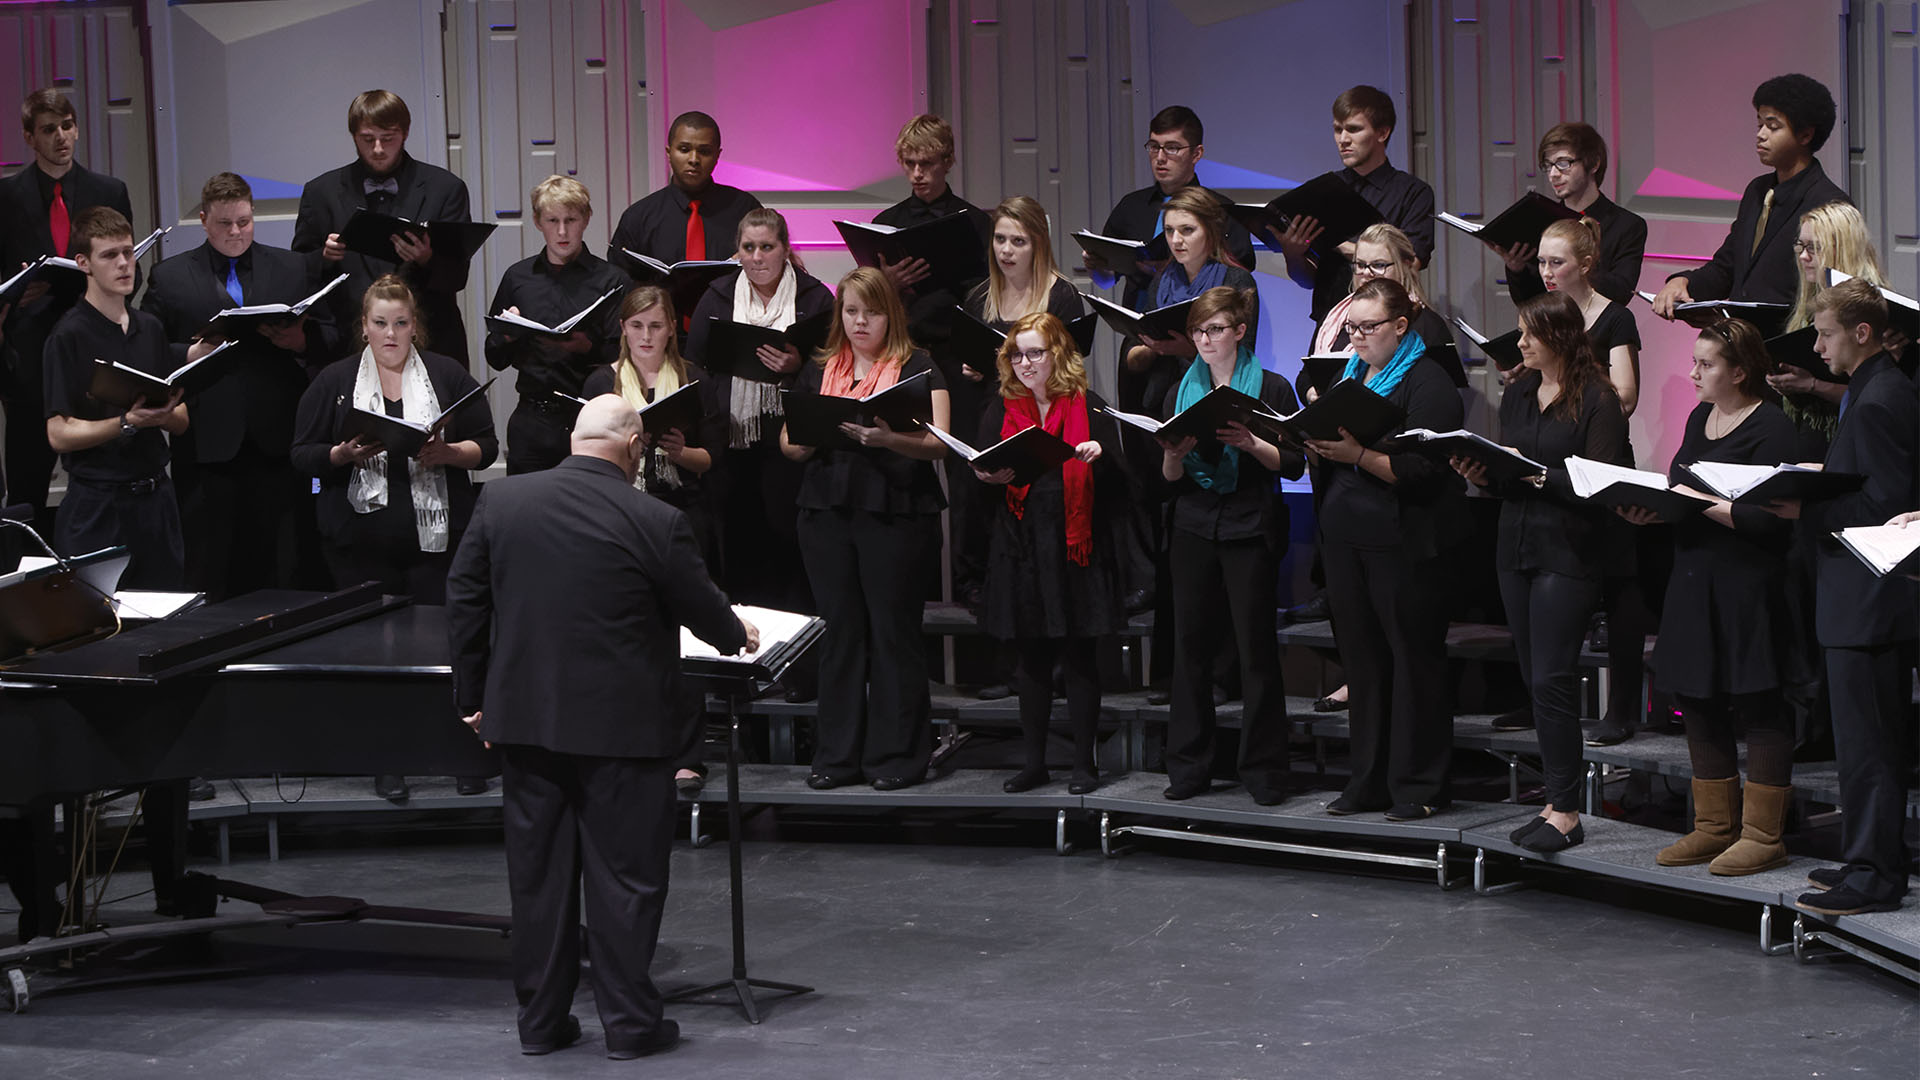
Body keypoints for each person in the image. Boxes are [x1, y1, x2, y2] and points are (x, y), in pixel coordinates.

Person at [446, 394, 754, 1061]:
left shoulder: (502, 504)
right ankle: (629, 1026)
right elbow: (707, 616)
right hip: (625, 731)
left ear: (575, 439)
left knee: (540, 881)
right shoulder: (656, 519)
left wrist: (474, 697)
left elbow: (465, 599)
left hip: (526, 725)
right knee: (626, 879)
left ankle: (541, 1024)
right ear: (635, 447)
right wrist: (738, 632)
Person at [290, 275, 498, 802]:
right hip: (361, 544)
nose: (390, 334)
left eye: (400, 323)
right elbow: (301, 454)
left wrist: (450, 454)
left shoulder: (447, 375)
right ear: (364, 327)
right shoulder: (335, 381)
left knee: (449, 648)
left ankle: (459, 754)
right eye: (380, 323)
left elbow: (488, 445)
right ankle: (389, 762)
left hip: (439, 542)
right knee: (380, 652)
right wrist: (340, 456)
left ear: (415, 327)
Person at [1613, 320, 1802, 874]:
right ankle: (1713, 827)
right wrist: (1651, 510)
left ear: (1740, 371)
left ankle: (1763, 835)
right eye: (1694, 363)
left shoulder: (1773, 428)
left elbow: (1770, 521)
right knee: (1698, 699)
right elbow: (1680, 486)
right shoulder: (1700, 417)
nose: (1693, 373)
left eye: (1707, 365)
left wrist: (1698, 504)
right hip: (1694, 578)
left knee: (1760, 704)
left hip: (1749, 585)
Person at [1451, 292, 1627, 853]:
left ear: (1559, 337)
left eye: (1529, 334)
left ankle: (1567, 813)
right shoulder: (1522, 390)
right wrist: (1481, 473)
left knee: (1552, 681)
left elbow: (1602, 484)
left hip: (1568, 553)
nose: (1520, 344)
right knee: (1535, 680)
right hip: (1516, 548)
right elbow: (1510, 468)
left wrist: (1538, 480)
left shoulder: (1598, 398)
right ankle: (1554, 802)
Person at [1770, 280, 1917, 916]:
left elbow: (1888, 508)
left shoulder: (1883, 397)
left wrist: (1810, 500)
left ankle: (1878, 873)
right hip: (1856, 596)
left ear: (1861, 333)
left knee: (1871, 747)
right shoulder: (1870, 387)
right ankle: (1866, 859)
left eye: (1825, 334)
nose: (1817, 346)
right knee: (1860, 746)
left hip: (1872, 599)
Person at [779, 267, 951, 791]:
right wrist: (805, 440)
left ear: (890, 314)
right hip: (828, 511)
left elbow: (942, 442)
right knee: (842, 633)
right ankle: (837, 756)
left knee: (892, 632)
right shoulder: (820, 368)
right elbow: (789, 442)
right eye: (851, 311)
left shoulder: (918, 366)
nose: (859, 322)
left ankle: (898, 756)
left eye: (870, 312)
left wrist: (889, 440)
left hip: (894, 510)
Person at [1303, 278, 1468, 819]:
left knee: (1411, 661)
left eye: (1368, 328)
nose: (1357, 338)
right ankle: (1368, 780)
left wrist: (1355, 455)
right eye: (1351, 327)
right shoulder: (1351, 375)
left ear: (1400, 327)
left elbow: (1423, 468)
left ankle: (1419, 786)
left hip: (1403, 543)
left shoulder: (1429, 383)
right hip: (1347, 539)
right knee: (1364, 664)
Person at [140, 172, 339, 599]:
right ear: (204, 220)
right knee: (211, 564)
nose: (236, 232)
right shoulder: (170, 275)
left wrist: (300, 339)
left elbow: (332, 334)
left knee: (283, 561)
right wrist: (188, 354)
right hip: (206, 440)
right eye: (226, 224)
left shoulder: (291, 266)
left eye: (245, 222)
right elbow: (146, 345)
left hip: (277, 436)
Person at [1155, 286, 1303, 805]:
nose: (1204, 339)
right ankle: (1189, 767)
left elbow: (1294, 464)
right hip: (1194, 525)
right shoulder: (1180, 390)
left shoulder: (1274, 388)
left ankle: (1263, 771)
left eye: (1215, 329)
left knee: (1254, 650)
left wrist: (1253, 444)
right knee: (1190, 650)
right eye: (1197, 331)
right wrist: (1174, 454)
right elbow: (1169, 478)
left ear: (1240, 332)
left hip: (1249, 523)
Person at [973, 313, 1124, 794]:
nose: (1024, 363)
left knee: (1080, 659)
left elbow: (1126, 482)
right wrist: (987, 479)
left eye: (1035, 352)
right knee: (1031, 661)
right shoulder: (1000, 409)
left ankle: (1084, 764)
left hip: (1076, 548)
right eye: (1016, 354)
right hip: (1021, 547)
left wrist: (1102, 457)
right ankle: (1033, 762)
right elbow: (977, 472)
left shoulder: (1089, 406)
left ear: (1057, 355)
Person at [583, 286, 725, 794]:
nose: (646, 336)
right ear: (623, 328)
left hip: (680, 513)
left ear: (672, 330)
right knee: (624, 637)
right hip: (617, 520)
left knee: (683, 640)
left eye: (657, 326)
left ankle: (687, 753)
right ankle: (626, 743)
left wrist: (681, 451)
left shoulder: (693, 379)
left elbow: (715, 460)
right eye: (637, 326)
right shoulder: (601, 382)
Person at [1532, 215, 1652, 746]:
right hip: (1554, 457)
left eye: (1556, 262)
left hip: (1600, 455)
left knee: (1618, 581)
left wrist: (1574, 373)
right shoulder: (1544, 316)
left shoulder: (1614, 318)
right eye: (1540, 261)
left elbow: (1625, 396)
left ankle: (1622, 707)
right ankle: (1543, 701)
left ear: (1585, 265)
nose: (1546, 272)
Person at [684, 209, 834, 618]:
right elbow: (692, 364)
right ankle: (742, 641)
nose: (756, 257)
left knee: (788, 541)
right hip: (731, 438)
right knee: (737, 540)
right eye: (748, 248)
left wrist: (797, 366)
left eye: (767, 247)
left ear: (785, 250)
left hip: (789, 439)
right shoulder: (717, 296)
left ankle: (796, 647)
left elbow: (836, 368)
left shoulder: (814, 297)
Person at [0, 88, 136, 532]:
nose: (61, 137)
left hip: (91, 345)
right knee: (27, 481)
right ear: (28, 137)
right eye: (48, 130)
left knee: (104, 471)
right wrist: (14, 293)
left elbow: (125, 268)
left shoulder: (108, 190)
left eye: (67, 125)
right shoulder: (7, 196)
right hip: (29, 353)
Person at [956, 195, 1087, 624]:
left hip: (1044, 422)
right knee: (984, 508)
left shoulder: (1061, 295)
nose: (1006, 250)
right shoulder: (980, 295)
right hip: (992, 416)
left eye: (1018, 241)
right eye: (999, 240)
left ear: (1038, 244)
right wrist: (974, 369)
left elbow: (1067, 368)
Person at [42, 207, 187, 586]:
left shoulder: (150, 328)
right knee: (102, 625)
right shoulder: (68, 336)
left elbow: (182, 420)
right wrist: (125, 423)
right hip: (99, 505)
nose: (125, 264)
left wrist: (164, 413)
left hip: (156, 498)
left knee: (166, 619)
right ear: (83, 264)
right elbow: (58, 434)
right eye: (110, 255)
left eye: (128, 252)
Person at [293, 89, 475, 363]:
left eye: (387, 138)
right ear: (353, 135)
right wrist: (324, 257)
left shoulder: (446, 189)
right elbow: (300, 273)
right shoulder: (321, 192)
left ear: (405, 133)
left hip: (430, 345)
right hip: (348, 347)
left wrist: (427, 259)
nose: (377, 149)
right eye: (367, 139)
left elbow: (457, 277)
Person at [1653, 74, 1849, 320]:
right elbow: (1728, 266)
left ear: (1805, 135)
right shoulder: (1757, 190)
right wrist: (1683, 282)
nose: (1761, 135)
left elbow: (1834, 294)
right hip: (1742, 346)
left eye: (1773, 126)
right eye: (1760, 125)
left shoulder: (1830, 204)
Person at [485, 175, 629, 474]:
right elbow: (494, 357)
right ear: (538, 222)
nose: (562, 231)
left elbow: (624, 356)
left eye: (571, 219)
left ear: (586, 219)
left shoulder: (612, 280)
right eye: (552, 220)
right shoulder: (518, 277)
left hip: (591, 415)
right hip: (532, 417)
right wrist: (508, 337)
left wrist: (587, 347)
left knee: (588, 512)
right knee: (527, 510)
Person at [1275, 85, 1436, 325]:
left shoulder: (1413, 192)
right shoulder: (1323, 190)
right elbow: (1307, 280)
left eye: (1353, 129)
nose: (1343, 140)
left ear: (1382, 133)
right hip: (1330, 321)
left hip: (1388, 324)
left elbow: (1411, 264)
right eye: (1337, 130)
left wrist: (1342, 246)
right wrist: (1293, 254)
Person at [1091, 105, 1257, 310]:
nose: (1160, 158)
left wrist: (1174, 270)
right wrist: (1097, 267)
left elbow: (1240, 277)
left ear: (1197, 154)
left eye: (1172, 148)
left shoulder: (1221, 210)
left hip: (1202, 326)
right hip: (1140, 327)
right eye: (1154, 146)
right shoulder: (1131, 207)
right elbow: (1107, 281)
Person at [1767, 201, 1900, 456]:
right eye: (1801, 246)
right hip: (1810, 431)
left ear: (1842, 249)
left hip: (1853, 439)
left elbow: (1878, 397)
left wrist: (1812, 385)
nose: (1803, 256)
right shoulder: (1814, 299)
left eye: (1814, 248)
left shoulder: (1875, 310)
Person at [1498, 122, 1647, 305]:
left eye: (1563, 163)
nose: (1553, 174)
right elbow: (1530, 302)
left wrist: (1575, 266)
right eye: (1548, 165)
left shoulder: (1626, 225)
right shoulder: (1542, 220)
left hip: (1597, 329)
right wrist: (1517, 269)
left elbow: (1621, 292)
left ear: (1593, 164)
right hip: (1549, 327)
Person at [608, 111, 761, 279]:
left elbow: (773, 266)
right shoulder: (638, 217)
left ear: (717, 156)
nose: (694, 159)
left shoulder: (745, 210)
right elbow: (620, 286)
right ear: (669, 153)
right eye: (684, 149)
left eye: (704, 151)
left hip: (731, 305)